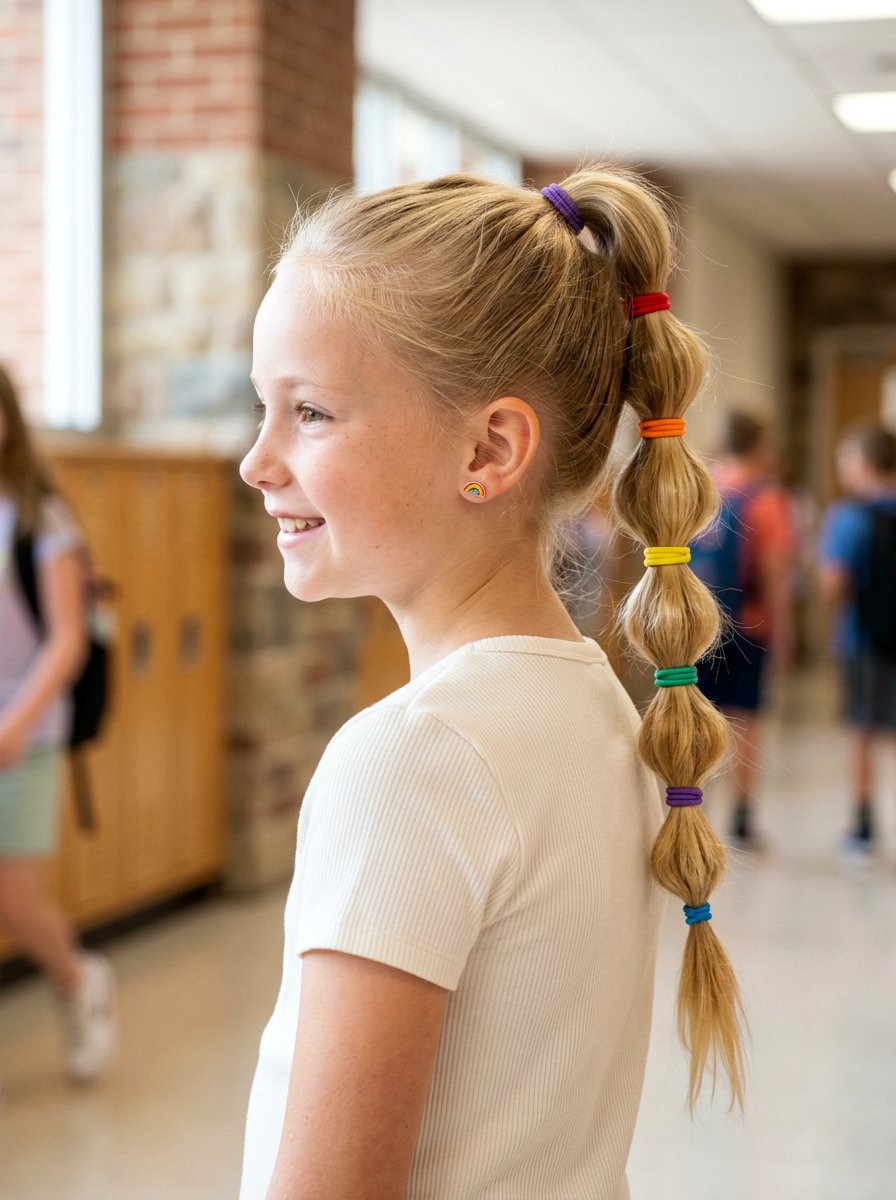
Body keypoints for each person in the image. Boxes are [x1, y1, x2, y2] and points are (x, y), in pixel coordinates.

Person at [238, 169, 745, 1200]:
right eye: (263, 408)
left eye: (310, 413)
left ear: (489, 447)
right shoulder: (600, 712)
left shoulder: (413, 760)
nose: (256, 461)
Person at [0, 364, 115, 1082]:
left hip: (25, 735)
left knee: (15, 900)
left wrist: (14, 726)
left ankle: (78, 982)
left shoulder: (41, 517)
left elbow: (68, 639)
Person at [691, 410, 798, 848]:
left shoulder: (704, 489)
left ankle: (689, 809)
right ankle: (741, 818)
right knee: (746, 721)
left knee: (698, 719)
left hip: (699, 621)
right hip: (749, 622)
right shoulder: (767, 498)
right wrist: (785, 629)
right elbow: (774, 573)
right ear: (761, 445)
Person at [818, 423, 896, 864]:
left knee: (862, 731)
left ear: (865, 462)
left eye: (846, 458)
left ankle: (864, 830)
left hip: (860, 639)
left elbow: (834, 582)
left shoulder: (847, 517)